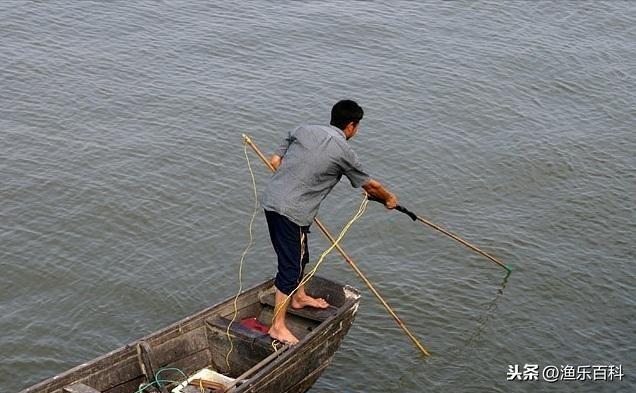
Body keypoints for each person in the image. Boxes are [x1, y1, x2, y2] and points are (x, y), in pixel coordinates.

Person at [261, 100, 398, 344]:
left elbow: (274, 161)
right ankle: (277, 327)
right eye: (357, 127)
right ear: (351, 126)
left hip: (273, 201)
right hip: (291, 212)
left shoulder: (303, 130)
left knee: (301, 255)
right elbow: (370, 186)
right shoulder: (345, 152)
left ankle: (299, 297)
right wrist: (389, 199)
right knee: (290, 267)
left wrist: (292, 182)